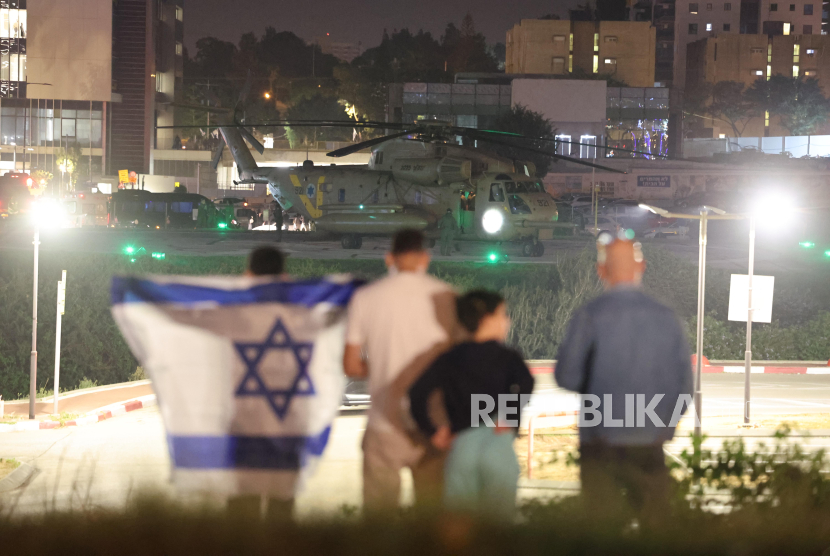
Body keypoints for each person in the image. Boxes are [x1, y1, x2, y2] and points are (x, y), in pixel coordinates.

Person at [554, 238, 693, 520]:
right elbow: (685, 386)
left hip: (600, 440)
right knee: (653, 530)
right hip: (650, 440)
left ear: (600, 270)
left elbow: (566, 376)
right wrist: (665, 427)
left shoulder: (589, 315)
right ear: (641, 266)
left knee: (602, 531)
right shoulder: (666, 317)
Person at [343, 229, 459, 511]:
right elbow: (459, 363)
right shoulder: (448, 297)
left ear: (388, 259)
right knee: (431, 518)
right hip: (434, 422)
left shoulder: (366, 298)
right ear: (425, 258)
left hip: (385, 420)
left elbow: (351, 365)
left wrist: (382, 364)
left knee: (380, 521)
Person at [409, 290, 534, 518]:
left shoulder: (449, 357)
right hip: (498, 442)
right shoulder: (507, 356)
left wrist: (433, 431)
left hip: (462, 445)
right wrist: (510, 416)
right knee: (500, 523)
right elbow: (527, 383)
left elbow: (417, 394)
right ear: (487, 319)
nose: (508, 320)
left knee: (460, 525)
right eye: (503, 314)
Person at [228, 245, 290, 519]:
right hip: (286, 420)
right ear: (284, 276)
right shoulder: (300, 315)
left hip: (245, 420)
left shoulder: (232, 314)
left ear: (248, 274)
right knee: (281, 508)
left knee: (243, 506)